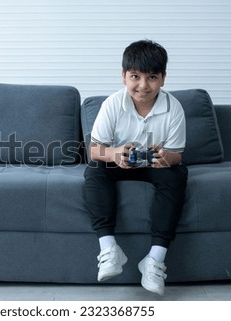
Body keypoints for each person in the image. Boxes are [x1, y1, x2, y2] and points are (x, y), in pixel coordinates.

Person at [84, 39, 188, 295]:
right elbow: (94, 150)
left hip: (156, 163)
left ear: (163, 78)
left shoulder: (174, 108)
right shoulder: (112, 104)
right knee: (95, 169)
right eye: (135, 76)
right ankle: (109, 249)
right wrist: (114, 153)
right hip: (121, 162)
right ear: (123, 77)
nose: (143, 85)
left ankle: (155, 259)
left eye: (152, 77)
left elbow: (177, 156)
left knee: (177, 174)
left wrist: (165, 156)